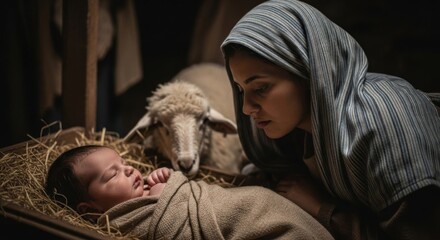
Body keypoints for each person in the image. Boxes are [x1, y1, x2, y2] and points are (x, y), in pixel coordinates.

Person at [220, 0, 440, 239]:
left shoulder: (390, 123)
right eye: (241, 90)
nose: (246, 109)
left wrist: (323, 209)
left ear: (310, 70)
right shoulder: (300, 134)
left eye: (261, 87)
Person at [45, 145, 334, 239]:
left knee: (263, 203)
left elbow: (187, 193)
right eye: (113, 175)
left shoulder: (145, 190)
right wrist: (162, 195)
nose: (130, 170)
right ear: (90, 209)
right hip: (225, 221)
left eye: (123, 163)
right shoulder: (123, 224)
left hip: (242, 205)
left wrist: (168, 181)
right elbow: (174, 221)